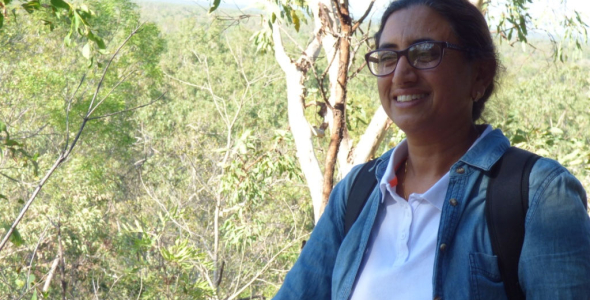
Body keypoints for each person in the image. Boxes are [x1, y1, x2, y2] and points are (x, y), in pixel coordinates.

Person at [273, 0, 590, 299]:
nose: (401, 75)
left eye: (424, 54)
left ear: (479, 75)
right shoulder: (358, 192)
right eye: (387, 57)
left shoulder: (540, 195)